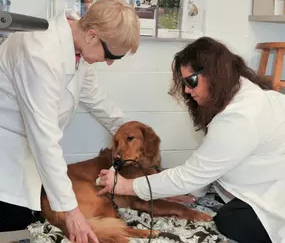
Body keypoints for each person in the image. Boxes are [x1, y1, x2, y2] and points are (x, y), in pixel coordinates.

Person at [97, 36, 285, 243]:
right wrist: (195, 193)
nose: (187, 90)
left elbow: (190, 175)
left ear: (214, 75)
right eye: (184, 83)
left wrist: (125, 186)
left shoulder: (239, 118)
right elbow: (216, 159)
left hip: (277, 194)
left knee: (230, 219)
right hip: (269, 180)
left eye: (191, 81)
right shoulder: (243, 91)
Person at [0, 0, 140, 243]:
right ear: (92, 36)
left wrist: (130, 133)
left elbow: (95, 97)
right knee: (11, 225)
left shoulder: (77, 43)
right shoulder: (39, 54)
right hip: (6, 154)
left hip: (28, 154)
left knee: (26, 218)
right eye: (111, 56)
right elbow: (45, 139)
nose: (108, 63)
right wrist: (71, 212)